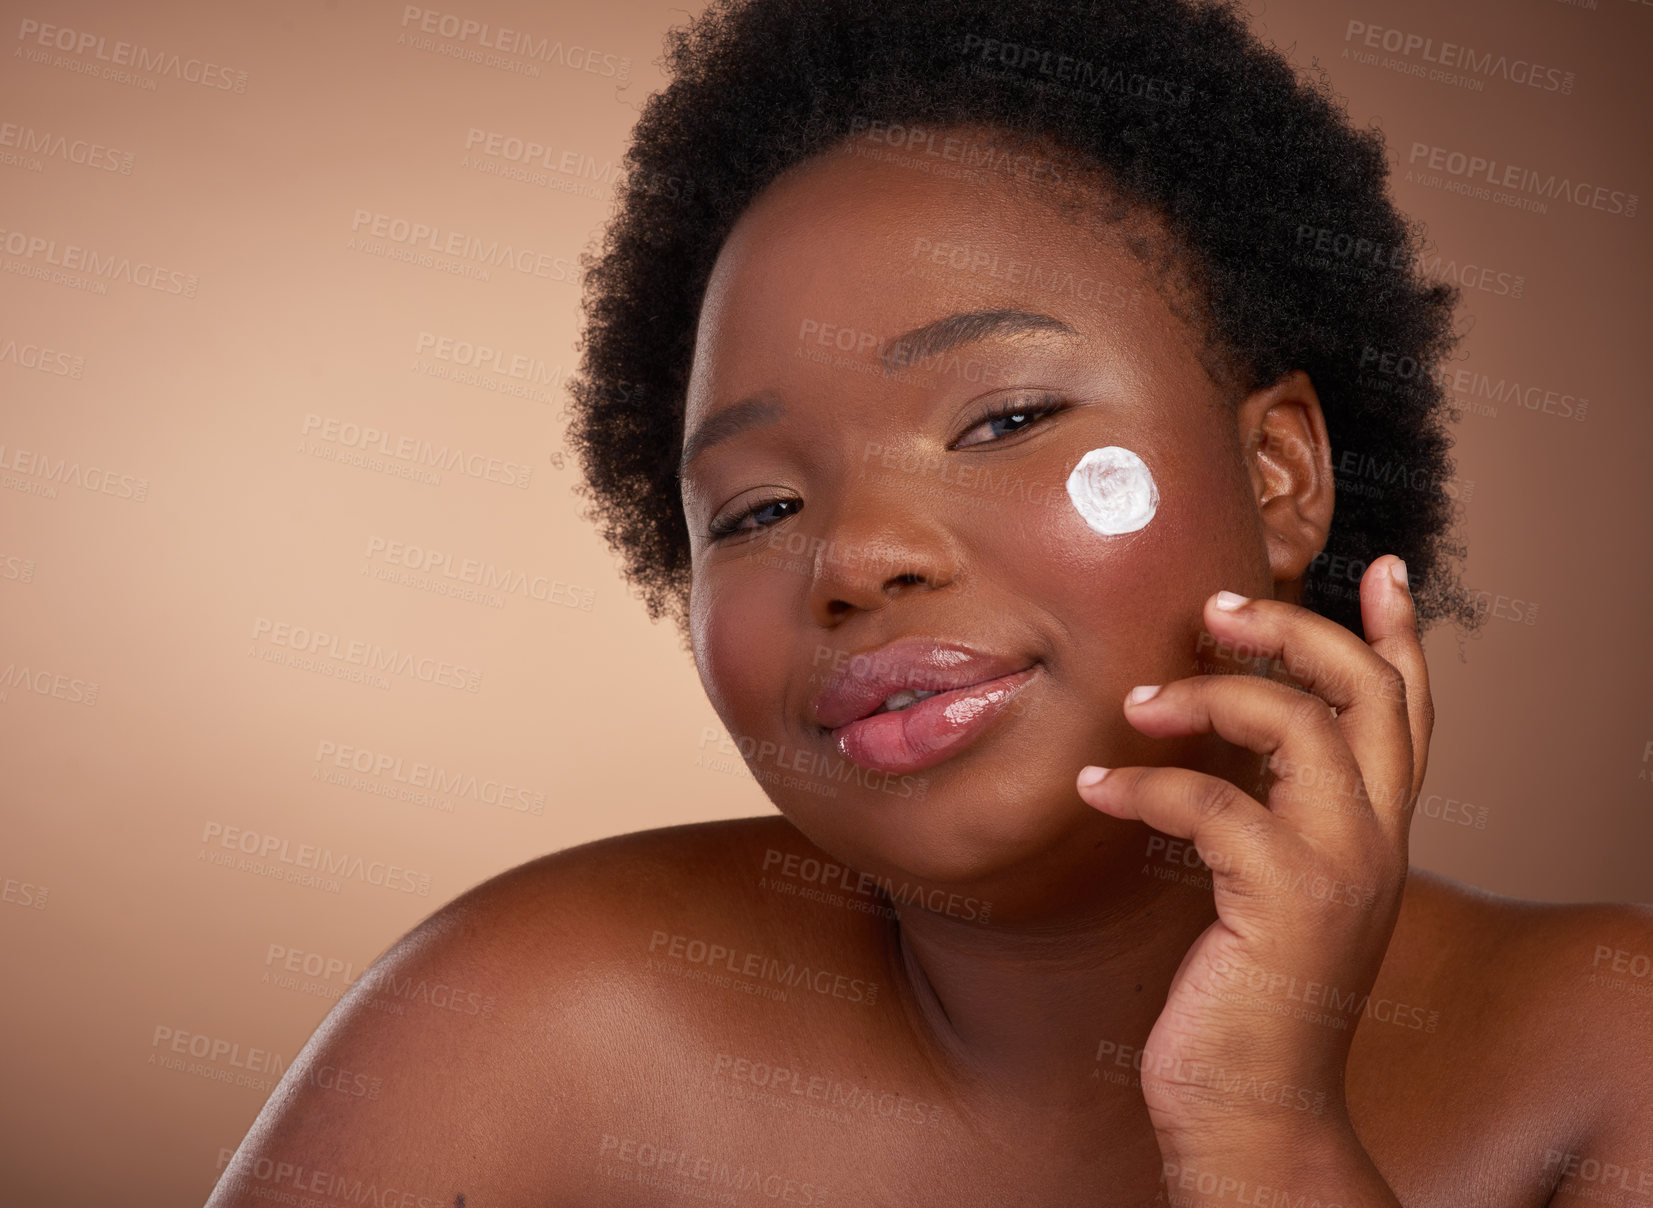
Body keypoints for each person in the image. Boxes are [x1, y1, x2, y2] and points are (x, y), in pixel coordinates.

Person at [206, 0, 1653, 1204]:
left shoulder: (1602, 1050)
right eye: (757, 510)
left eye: (1002, 417)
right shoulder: (529, 1026)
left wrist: (1262, 1131)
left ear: (1277, 475)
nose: (855, 557)